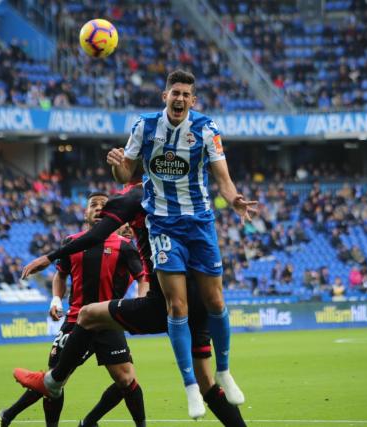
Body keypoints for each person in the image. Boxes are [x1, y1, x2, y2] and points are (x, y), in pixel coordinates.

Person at [15, 184, 247, 426]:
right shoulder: (179, 191)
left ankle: (52, 383)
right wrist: (230, 196)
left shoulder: (135, 196)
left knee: (89, 317)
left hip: (163, 303)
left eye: (125, 155)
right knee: (207, 383)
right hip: (198, 299)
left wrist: (47, 257)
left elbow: (98, 237)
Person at [105, 69, 257, 418]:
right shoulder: (144, 126)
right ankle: (191, 385)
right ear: (165, 96)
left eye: (187, 95)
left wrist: (234, 200)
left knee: (215, 299)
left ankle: (223, 371)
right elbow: (125, 175)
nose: (180, 99)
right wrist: (116, 166)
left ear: (194, 100)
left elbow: (224, 180)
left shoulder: (206, 129)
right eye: (175, 93)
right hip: (162, 226)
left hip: (200, 224)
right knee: (177, 306)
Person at [0, 192, 148, 427]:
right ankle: (8, 415)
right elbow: (61, 274)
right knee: (54, 380)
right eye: (93, 205)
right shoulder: (71, 242)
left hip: (108, 320)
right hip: (76, 321)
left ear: (111, 214)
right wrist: (56, 299)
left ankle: (92, 422)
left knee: (126, 380)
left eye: (103, 206)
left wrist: (140, 301)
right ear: (85, 213)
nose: (98, 208)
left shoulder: (125, 246)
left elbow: (142, 276)